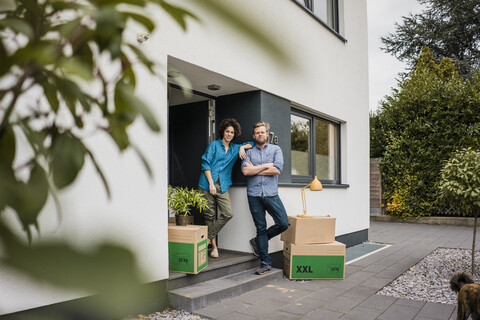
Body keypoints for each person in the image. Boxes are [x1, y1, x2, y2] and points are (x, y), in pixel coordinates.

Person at [198, 118, 253, 258]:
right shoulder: (214, 145)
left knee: (228, 213)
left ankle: (207, 239)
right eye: (227, 131)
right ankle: (214, 248)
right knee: (209, 216)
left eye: (232, 132)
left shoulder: (235, 148)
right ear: (223, 131)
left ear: (235, 134)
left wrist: (242, 147)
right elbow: (205, 163)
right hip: (206, 184)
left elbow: (252, 144)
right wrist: (211, 183)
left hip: (222, 185)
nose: (229, 134)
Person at [241, 121, 289, 275]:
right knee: (260, 228)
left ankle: (258, 242)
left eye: (262, 132)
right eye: (257, 133)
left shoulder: (276, 149)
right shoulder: (248, 152)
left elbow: (277, 170)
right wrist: (266, 166)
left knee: (283, 223)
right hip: (254, 195)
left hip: (271, 194)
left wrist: (255, 169)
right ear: (254, 135)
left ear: (267, 134)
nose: (260, 134)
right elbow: (246, 172)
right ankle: (265, 262)